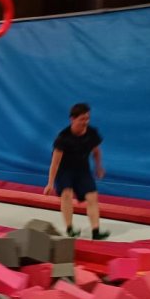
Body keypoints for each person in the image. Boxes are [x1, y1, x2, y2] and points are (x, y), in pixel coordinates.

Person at [44, 102, 109, 240]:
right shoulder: (63, 137)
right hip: (65, 170)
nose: (85, 122)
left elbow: (96, 152)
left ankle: (96, 231)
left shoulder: (92, 133)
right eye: (82, 119)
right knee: (66, 194)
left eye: (87, 118)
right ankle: (70, 228)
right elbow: (55, 163)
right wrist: (50, 183)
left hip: (82, 169)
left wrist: (99, 167)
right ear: (72, 119)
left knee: (92, 196)